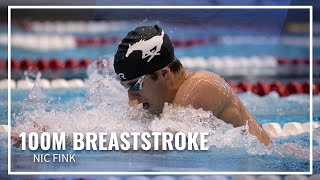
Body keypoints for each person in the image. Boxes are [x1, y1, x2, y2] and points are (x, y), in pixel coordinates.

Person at [113, 25, 272, 145]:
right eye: (126, 87)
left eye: (135, 85)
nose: (131, 96)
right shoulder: (154, 101)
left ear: (164, 74)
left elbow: (161, 147)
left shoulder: (202, 85)